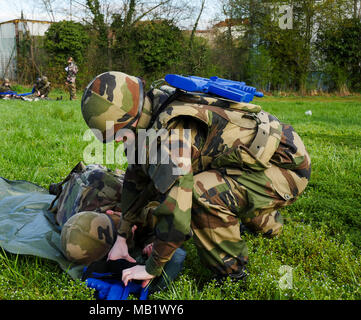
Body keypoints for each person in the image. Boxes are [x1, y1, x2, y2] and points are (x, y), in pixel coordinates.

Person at [80, 71, 311, 286]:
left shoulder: (167, 139)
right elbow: (136, 178)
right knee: (196, 181)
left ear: (132, 118)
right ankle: (264, 218)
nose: (118, 141)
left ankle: (232, 274)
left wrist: (152, 267)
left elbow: (178, 211)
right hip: (254, 158)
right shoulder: (152, 108)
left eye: (120, 133)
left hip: (285, 167)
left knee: (201, 193)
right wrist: (122, 235)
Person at [48, 162, 186, 291]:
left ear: (111, 212)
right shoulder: (79, 226)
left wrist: (156, 243)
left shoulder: (115, 193)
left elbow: (174, 213)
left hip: (97, 177)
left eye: (118, 225)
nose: (128, 233)